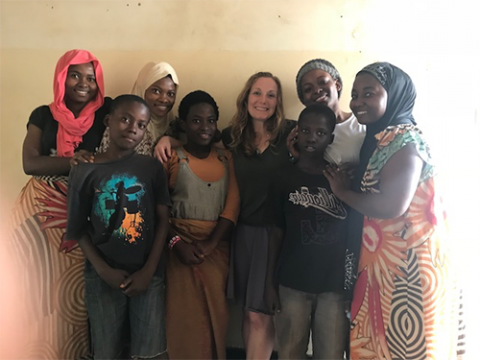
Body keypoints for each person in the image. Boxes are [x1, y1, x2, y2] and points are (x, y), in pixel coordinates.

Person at [324, 62, 464, 359]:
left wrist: (342, 192)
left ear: (395, 94)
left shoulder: (404, 140)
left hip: (408, 270)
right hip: (389, 265)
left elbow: (392, 204)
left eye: (369, 93)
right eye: (355, 94)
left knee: (403, 346)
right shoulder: (381, 138)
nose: (358, 102)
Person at [8, 49, 110, 359]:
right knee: (35, 290)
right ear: (61, 78)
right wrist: (72, 162)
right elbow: (30, 162)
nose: (83, 83)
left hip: (79, 212)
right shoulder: (43, 114)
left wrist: (81, 165)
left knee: (73, 293)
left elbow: (111, 158)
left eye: (91, 78)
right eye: (75, 75)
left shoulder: (106, 116)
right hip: (37, 212)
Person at [66, 95, 170, 360]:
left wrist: (149, 271)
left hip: (148, 275)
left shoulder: (152, 169)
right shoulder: (85, 170)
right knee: (106, 350)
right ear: (108, 121)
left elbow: (162, 222)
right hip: (102, 276)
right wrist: (103, 270)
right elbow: (77, 228)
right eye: (125, 119)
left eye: (141, 124)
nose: (133, 128)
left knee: (149, 352)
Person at [265, 104, 349, 360]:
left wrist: (349, 284)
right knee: (290, 351)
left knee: (331, 353)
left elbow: (351, 236)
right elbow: (276, 232)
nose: (312, 137)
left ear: (331, 138)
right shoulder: (282, 178)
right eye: (306, 130)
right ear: (296, 133)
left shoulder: (339, 179)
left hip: (333, 286)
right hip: (292, 284)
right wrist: (270, 284)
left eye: (321, 133)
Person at [221, 72, 296, 360]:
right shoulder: (232, 136)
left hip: (275, 234)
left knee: (260, 313)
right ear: (246, 97)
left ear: (278, 102)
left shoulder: (291, 133)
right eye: (257, 92)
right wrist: (168, 140)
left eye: (270, 95)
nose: (262, 100)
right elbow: (197, 140)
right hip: (242, 233)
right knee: (248, 311)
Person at [164, 90, 240, 360]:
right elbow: (157, 210)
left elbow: (232, 206)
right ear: (183, 124)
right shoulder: (172, 157)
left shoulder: (226, 159)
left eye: (211, 121)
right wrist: (176, 243)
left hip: (216, 251)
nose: (204, 127)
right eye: (196, 121)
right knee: (181, 320)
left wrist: (210, 243)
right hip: (178, 252)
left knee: (215, 319)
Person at [293, 58, 365, 166]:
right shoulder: (302, 134)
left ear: (337, 85)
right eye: (308, 89)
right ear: (303, 99)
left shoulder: (361, 124)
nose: (317, 90)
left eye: (322, 82)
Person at [97, 61, 179, 156]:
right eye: (156, 91)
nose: (164, 99)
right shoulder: (123, 122)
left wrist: (169, 140)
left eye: (170, 94)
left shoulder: (173, 126)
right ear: (143, 89)